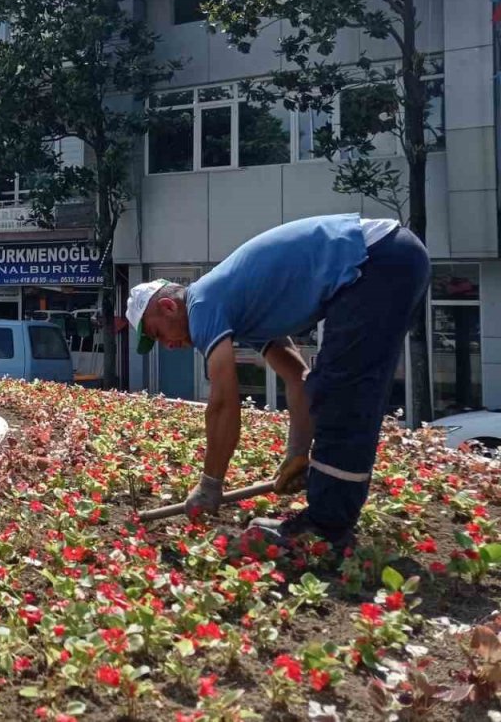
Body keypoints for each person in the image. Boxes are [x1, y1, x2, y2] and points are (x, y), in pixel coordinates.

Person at [126, 213, 430, 551]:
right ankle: (329, 519)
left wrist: (210, 483)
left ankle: (326, 527)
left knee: (342, 392)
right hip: (393, 256)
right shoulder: (242, 311)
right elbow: (298, 380)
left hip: (377, 260)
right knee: (337, 389)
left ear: (168, 306)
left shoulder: (203, 304)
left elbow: (224, 401)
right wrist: (297, 455)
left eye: (158, 334)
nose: (168, 345)